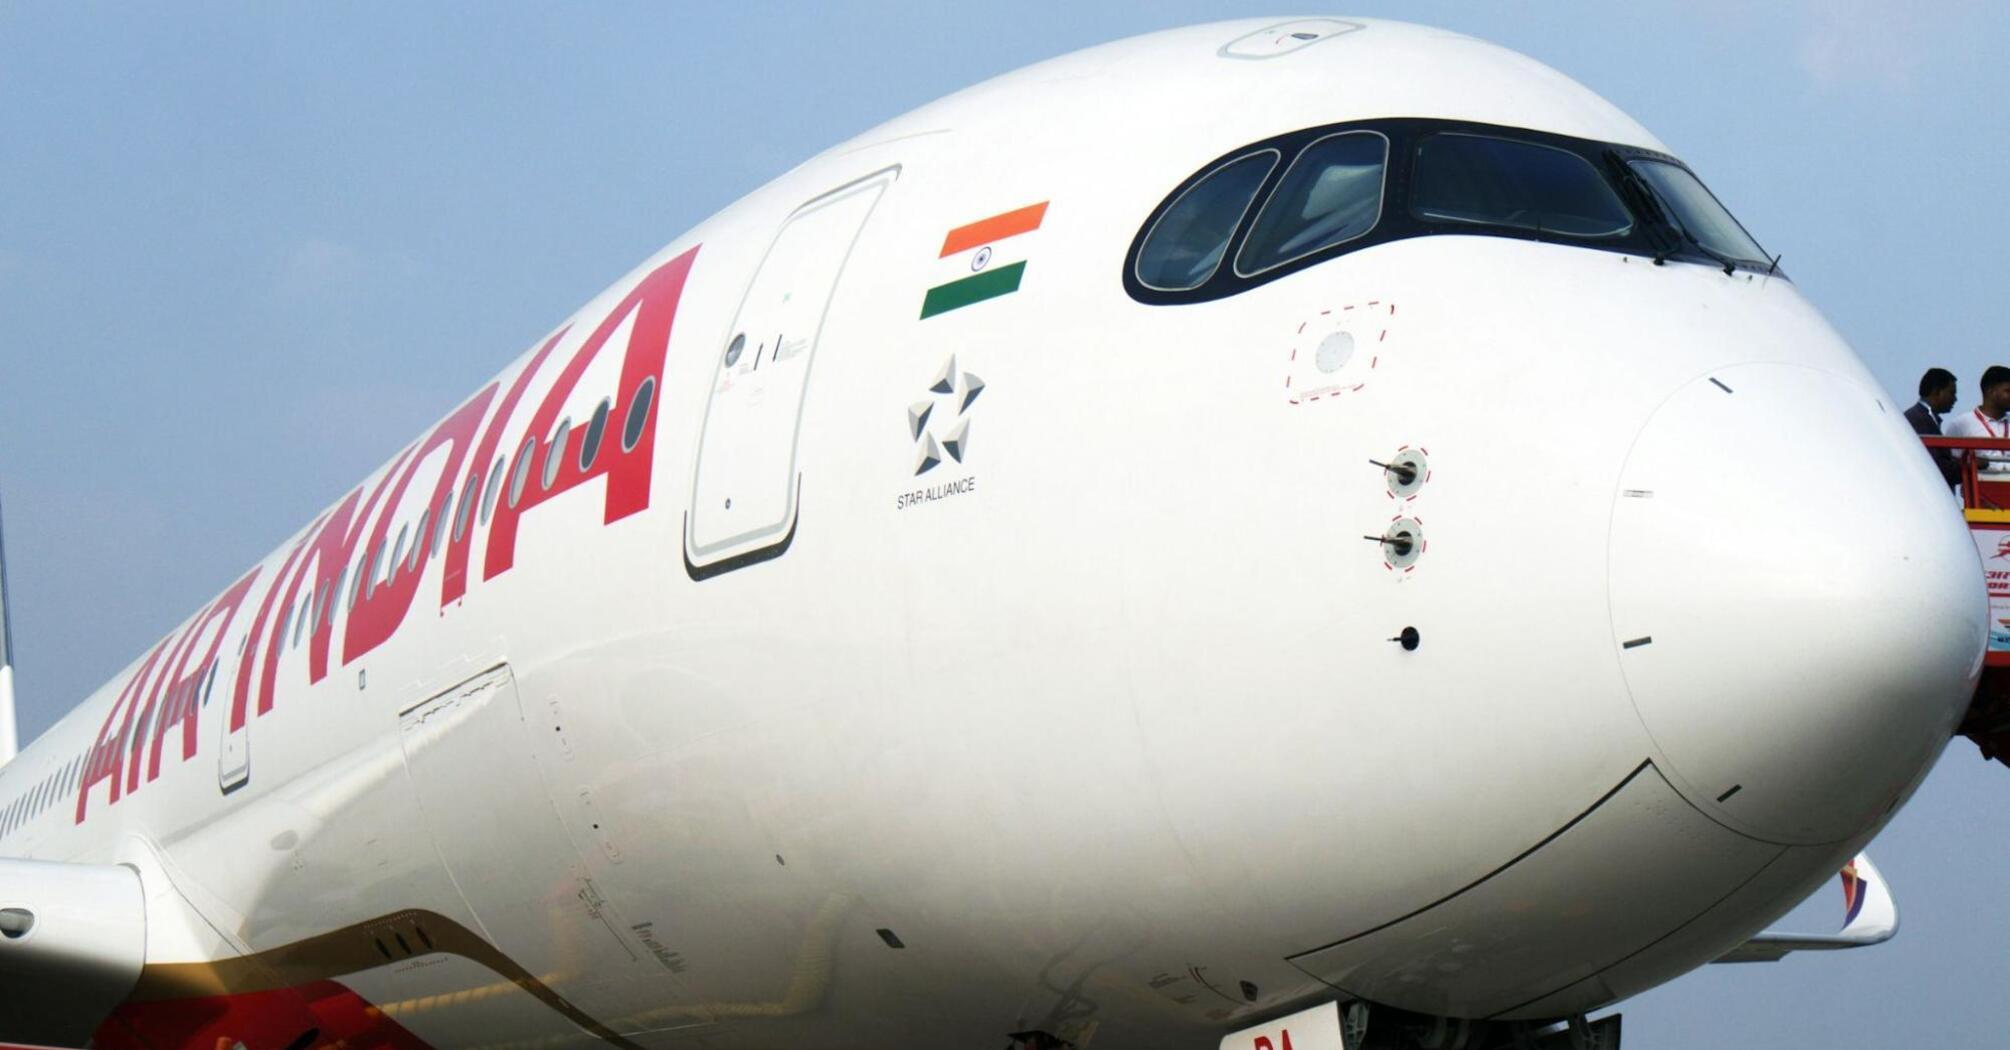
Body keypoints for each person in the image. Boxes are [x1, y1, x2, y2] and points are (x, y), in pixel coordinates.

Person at [1946, 366, 2010, 480]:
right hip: (1979, 489)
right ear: (1990, 391)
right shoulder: (1961, 424)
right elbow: (1949, 466)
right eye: (2008, 391)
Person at [1905, 367, 1961, 490]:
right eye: (1952, 393)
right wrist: (1969, 466)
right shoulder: (1919, 419)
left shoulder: (1921, 417)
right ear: (1936, 392)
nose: (1955, 399)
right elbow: (1935, 467)